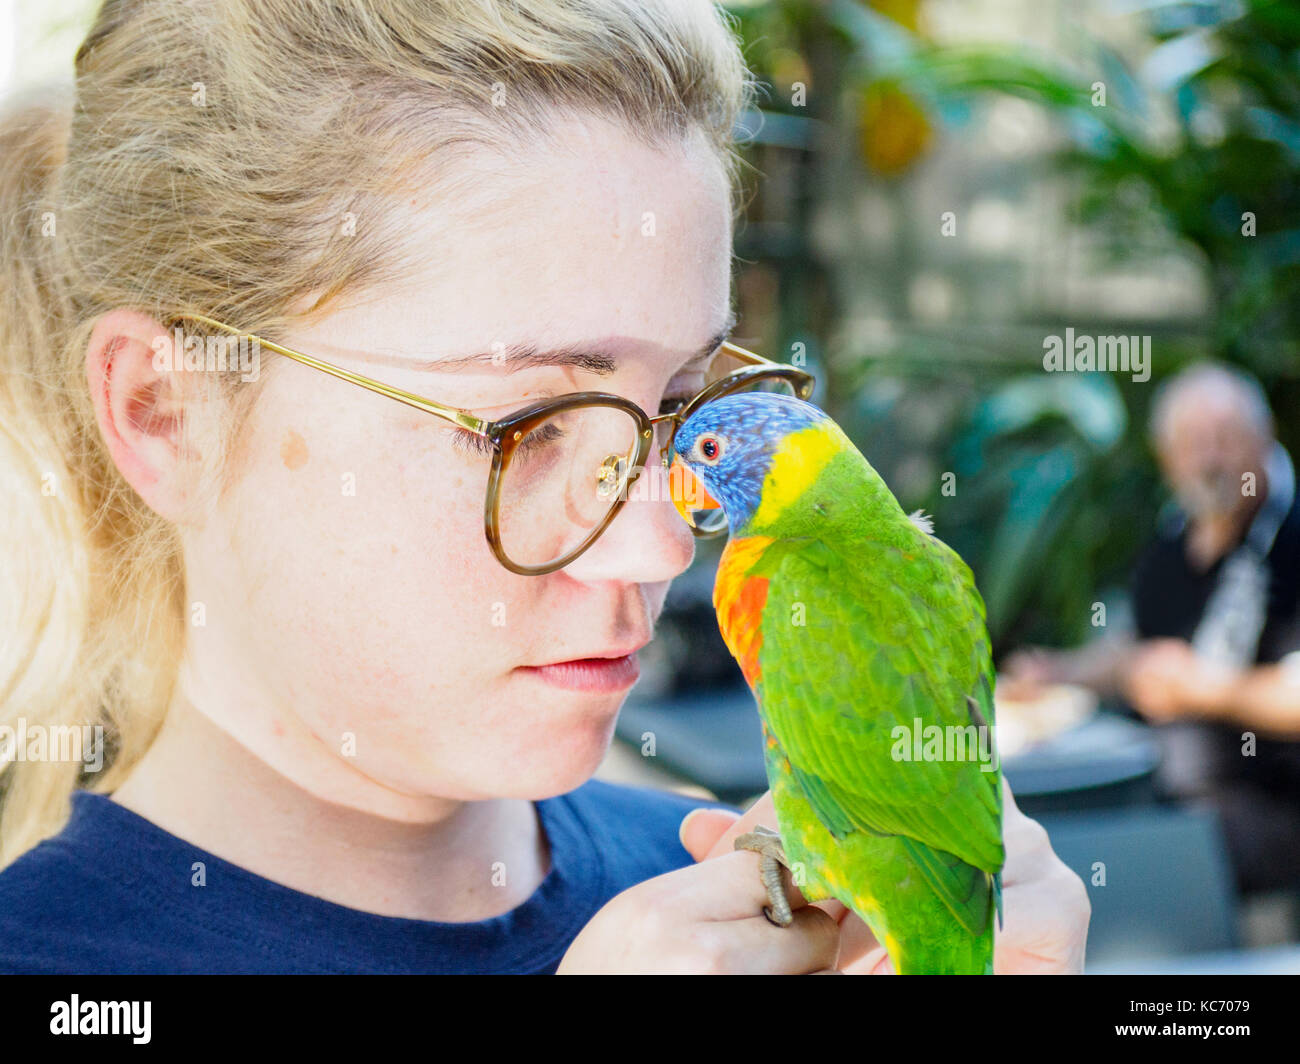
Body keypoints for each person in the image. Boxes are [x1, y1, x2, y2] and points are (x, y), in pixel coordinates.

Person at [0, 0, 1087, 974]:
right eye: (524, 424)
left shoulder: (743, 901)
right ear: (167, 409)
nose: (659, 543)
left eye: (679, 407)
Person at [1005, 362, 1300, 894]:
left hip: (1266, 810)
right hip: (1162, 789)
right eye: (1191, 443)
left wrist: (1207, 690)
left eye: (1226, 439)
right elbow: (1136, 646)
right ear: (1166, 457)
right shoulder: (1176, 535)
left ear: (1265, 437)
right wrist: (1061, 672)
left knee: (1126, 860)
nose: (1209, 459)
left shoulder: (1291, 533)